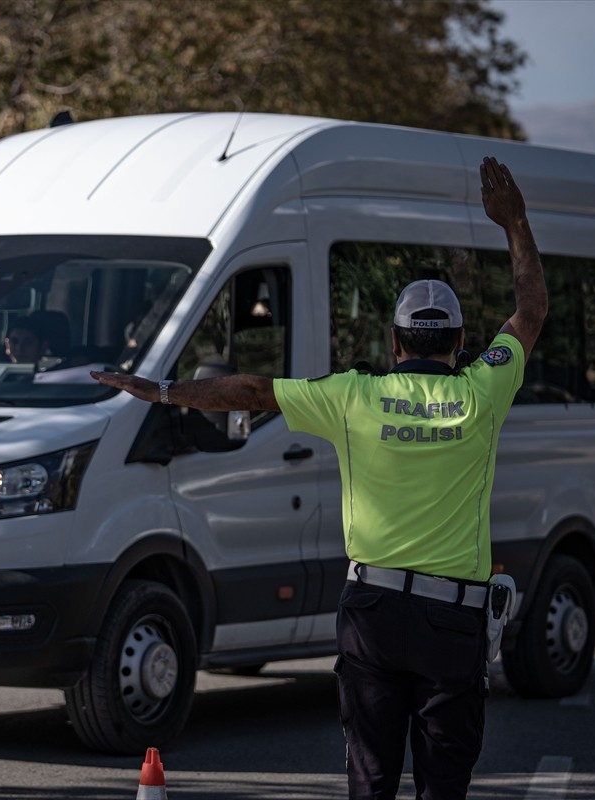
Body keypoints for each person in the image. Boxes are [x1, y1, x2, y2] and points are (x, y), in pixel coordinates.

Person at [90, 156, 545, 799]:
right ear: (460, 341)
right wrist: (515, 222)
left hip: (373, 616)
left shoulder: (353, 396)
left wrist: (162, 391)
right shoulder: (483, 390)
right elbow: (530, 311)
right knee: (443, 787)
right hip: (452, 624)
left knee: (371, 781)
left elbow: (252, 391)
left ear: (395, 343)